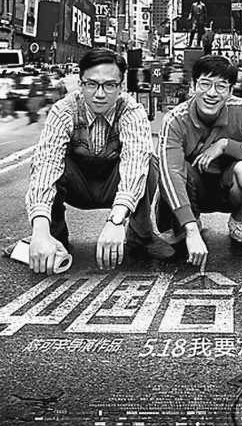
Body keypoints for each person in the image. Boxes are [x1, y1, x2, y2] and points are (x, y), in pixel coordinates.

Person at [25, 48, 172, 276]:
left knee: (148, 163)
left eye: (109, 85)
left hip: (115, 186)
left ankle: (141, 236)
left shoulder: (132, 111)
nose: (100, 94)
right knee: (43, 161)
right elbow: (46, 165)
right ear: (80, 84)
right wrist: (40, 231)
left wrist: (116, 222)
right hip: (77, 185)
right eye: (91, 84)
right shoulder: (63, 110)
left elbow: (135, 162)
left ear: (121, 86)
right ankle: (53, 236)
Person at [158, 55, 242, 273]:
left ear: (230, 90)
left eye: (221, 86)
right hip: (190, 188)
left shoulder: (241, 110)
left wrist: (226, 145)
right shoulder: (175, 119)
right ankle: (187, 224)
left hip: (227, 187)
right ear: (193, 86)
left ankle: (238, 223)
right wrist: (191, 229)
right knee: (170, 169)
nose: (212, 93)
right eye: (205, 84)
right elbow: (170, 173)